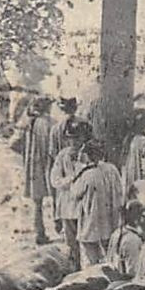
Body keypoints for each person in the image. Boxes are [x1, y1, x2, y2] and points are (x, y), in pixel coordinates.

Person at [71, 141, 126, 267]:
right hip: (110, 219)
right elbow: (119, 190)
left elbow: (74, 194)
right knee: (111, 255)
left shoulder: (87, 173)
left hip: (91, 222)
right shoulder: (112, 169)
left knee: (92, 258)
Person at [49, 121, 90, 268]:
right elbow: (55, 180)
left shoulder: (88, 154)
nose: (74, 142)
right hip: (67, 206)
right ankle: (75, 269)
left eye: (77, 138)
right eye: (71, 138)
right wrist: (71, 179)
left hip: (84, 205)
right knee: (71, 244)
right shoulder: (62, 156)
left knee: (87, 242)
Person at [19, 97, 56, 244]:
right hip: (44, 165)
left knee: (38, 203)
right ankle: (57, 227)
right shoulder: (46, 123)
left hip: (33, 166)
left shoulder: (30, 123)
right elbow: (49, 147)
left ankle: (39, 232)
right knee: (56, 197)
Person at [105, 202, 145, 277]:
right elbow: (133, 271)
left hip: (114, 277)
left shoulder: (116, 233)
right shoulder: (132, 239)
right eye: (140, 214)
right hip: (126, 282)